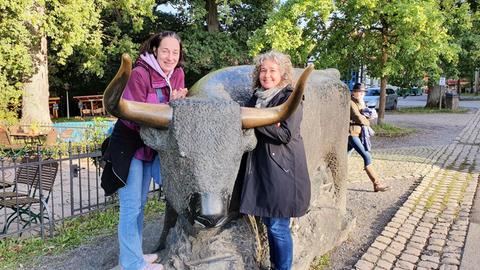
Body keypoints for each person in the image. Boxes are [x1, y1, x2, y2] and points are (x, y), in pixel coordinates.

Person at [102, 31, 187, 270]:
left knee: (140, 203)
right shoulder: (139, 74)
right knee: (131, 206)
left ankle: (134, 255)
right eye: (165, 51)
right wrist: (168, 104)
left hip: (153, 147)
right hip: (130, 147)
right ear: (154, 50)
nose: (170, 57)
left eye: (175, 52)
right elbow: (131, 117)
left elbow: (175, 113)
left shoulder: (178, 74)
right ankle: (132, 264)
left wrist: (178, 103)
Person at [238, 51, 311, 270]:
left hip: (282, 171)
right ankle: (274, 264)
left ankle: (283, 268)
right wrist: (269, 123)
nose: (267, 75)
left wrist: (253, 120)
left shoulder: (289, 97)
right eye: (263, 70)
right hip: (262, 170)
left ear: (283, 73)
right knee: (270, 222)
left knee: (279, 226)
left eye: (272, 70)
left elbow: (285, 135)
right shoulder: (256, 98)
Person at [348, 83, 389, 192]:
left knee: (344, 157)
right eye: (360, 92)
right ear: (354, 92)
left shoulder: (360, 102)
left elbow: (366, 115)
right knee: (367, 156)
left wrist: (367, 116)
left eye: (363, 92)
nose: (362, 94)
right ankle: (376, 184)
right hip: (352, 134)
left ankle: (331, 175)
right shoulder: (351, 103)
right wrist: (367, 120)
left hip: (358, 134)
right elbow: (358, 118)